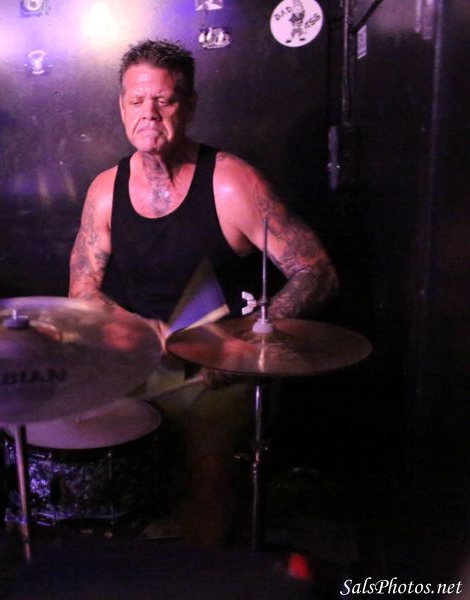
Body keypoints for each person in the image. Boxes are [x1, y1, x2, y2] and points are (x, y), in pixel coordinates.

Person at [69, 39, 337, 547]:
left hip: (221, 369)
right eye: (136, 101)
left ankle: (204, 562)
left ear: (189, 106)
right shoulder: (105, 191)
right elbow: (83, 290)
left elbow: (316, 271)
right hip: (142, 358)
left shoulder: (232, 183)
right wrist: (135, 328)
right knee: (77, 428)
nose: (148, 114)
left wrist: (245, 341)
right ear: (121, 107)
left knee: (208, 454)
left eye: (164, 100)